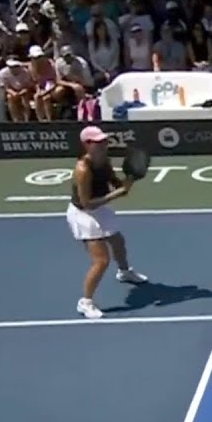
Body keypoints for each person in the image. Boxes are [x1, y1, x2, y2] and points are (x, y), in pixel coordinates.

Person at [67, 125, 148, 319]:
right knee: (101, 261)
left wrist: (126, 182)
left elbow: (113, 180)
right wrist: (116, 194)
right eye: (98, 142)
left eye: (104, 141)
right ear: (87, 145)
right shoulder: (82, 169)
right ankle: (85, 302)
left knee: (118, 240)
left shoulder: (104, 160)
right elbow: (87, 203)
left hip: (98, 208)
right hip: (83, 214)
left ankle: (124, 272)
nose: (103, 145)